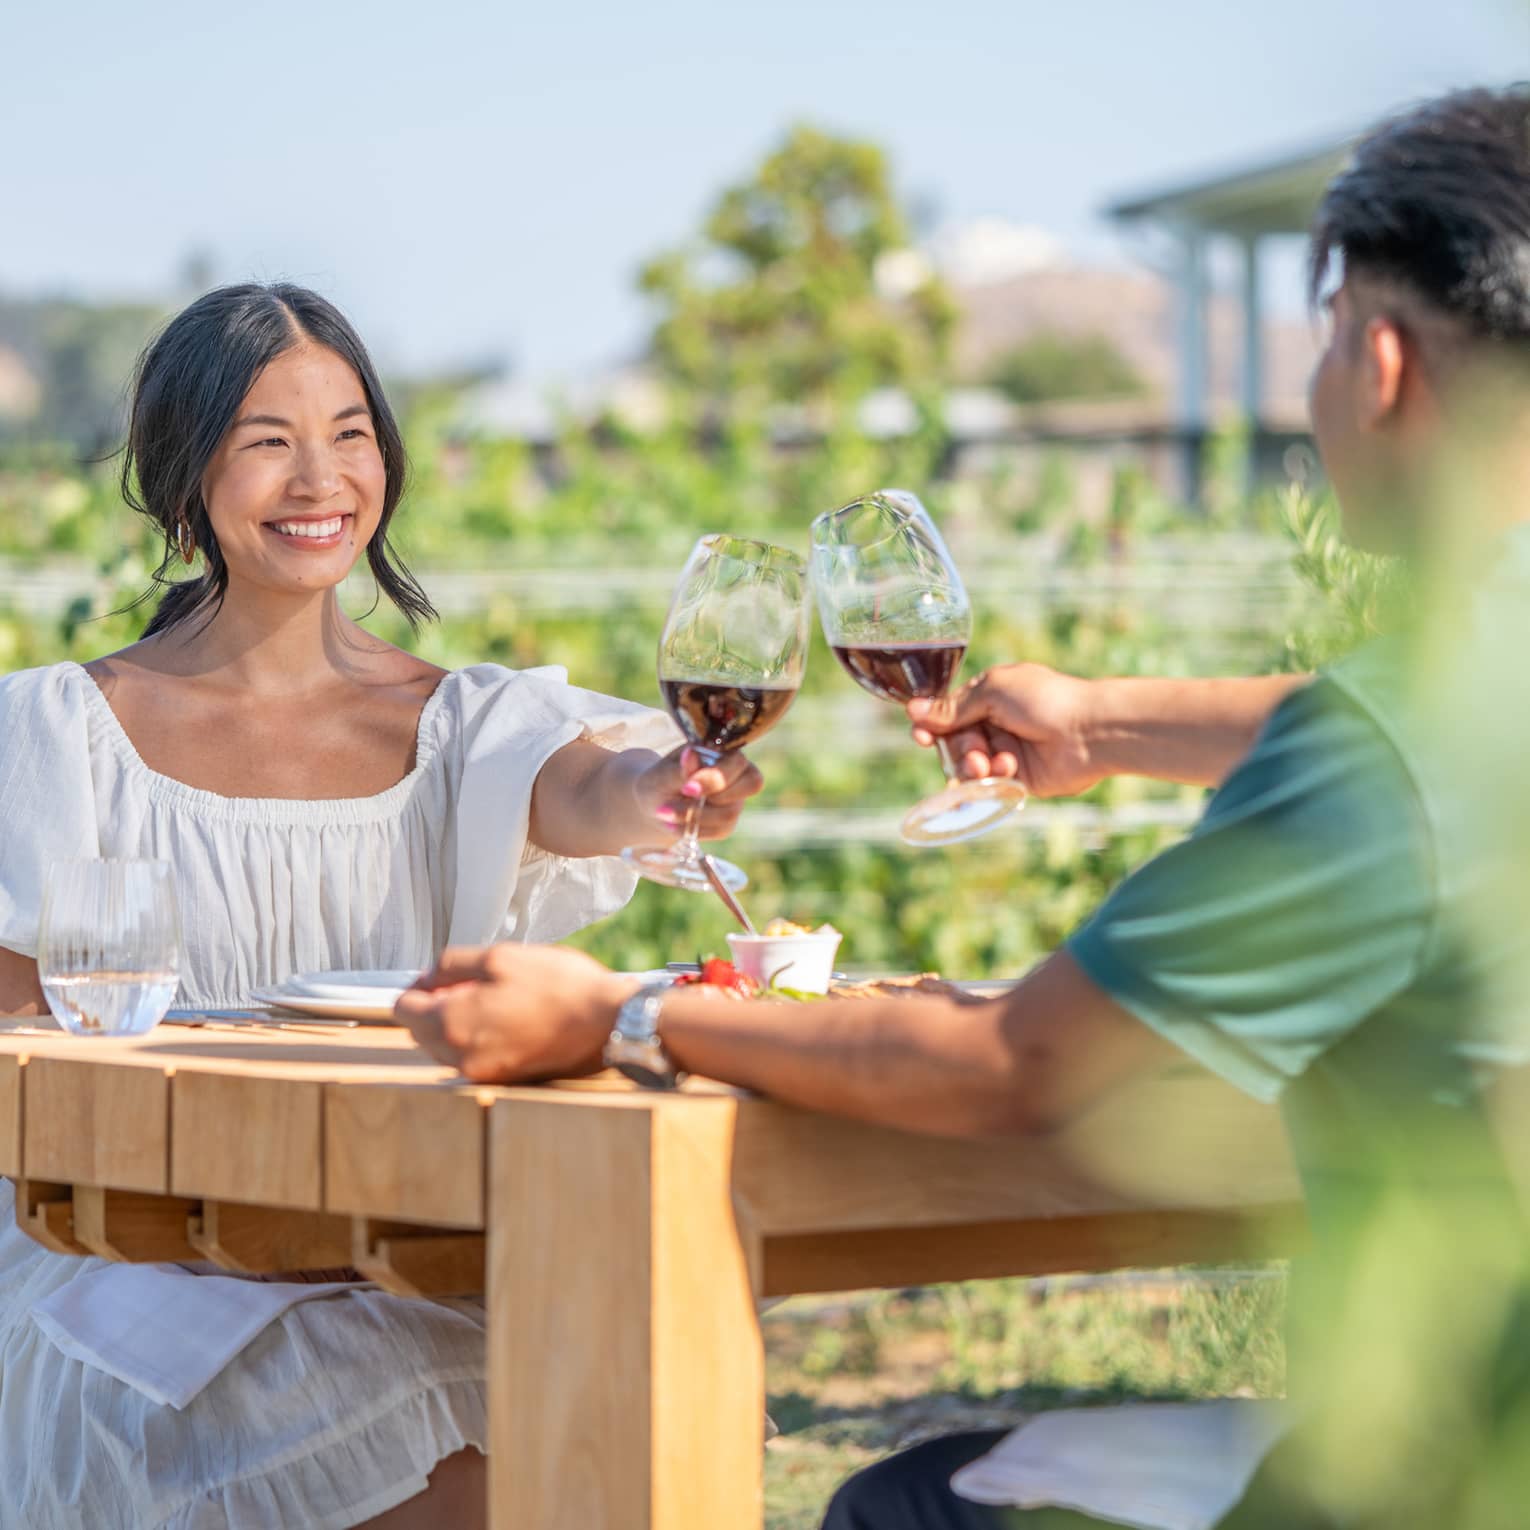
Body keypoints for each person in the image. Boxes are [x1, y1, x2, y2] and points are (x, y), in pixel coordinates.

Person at [398, 86, 1530, 1529]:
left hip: (1451, 1470)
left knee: (908, 1505)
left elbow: (1009, 1064)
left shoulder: (1394, 742)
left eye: (1317, 341)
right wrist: (1102, 721)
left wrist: (617, 1016)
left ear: (1377, 363)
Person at [0, 282, 762, 1529]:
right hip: (120, 1254)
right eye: (268, 441)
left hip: (403, 1231)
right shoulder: (55, 732)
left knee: (636, 1376)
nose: (319, 480)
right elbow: (23, 1070)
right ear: (185, 473)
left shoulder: (465, 721)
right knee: (458, 1425)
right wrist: (235, 1205)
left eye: (350, 433)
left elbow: (589, 789)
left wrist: (665, 786)